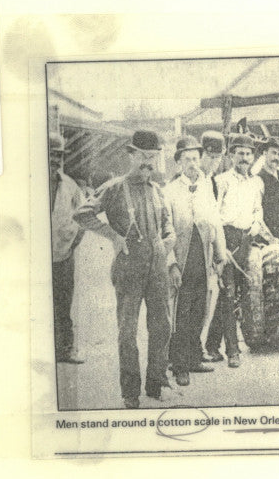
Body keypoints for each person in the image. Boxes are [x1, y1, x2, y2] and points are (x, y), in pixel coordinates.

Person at [74, 130, 176, 408]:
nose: (148, 163)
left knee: (162, 327)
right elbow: (82, 213)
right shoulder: (114, 187)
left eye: (153, 157)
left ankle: (157, 384)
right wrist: (113, 236)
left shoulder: (157, 191)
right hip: (129, 267)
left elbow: (168, 226)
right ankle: (130, 392)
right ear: (131, 155)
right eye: (143, 156)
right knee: (127, 331)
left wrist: (167, 242)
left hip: (157, 267)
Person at [163, 136, 229, 386]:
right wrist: (171, 264)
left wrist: (220, 254)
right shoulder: (169, 191)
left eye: (195, 158)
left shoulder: (206, 187)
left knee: (200, 309)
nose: (192, 163)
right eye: (187, 159)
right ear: (179, 162)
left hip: (203, 256)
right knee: (181, 312)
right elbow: (164, 230)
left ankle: (193, 358)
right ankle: (179, 365)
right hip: (182, 257)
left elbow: (216, 222)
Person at [206, 133, 275, 367]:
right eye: (239, 154)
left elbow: (258, 212)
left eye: (247, 154)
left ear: (253, 156)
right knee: (227, 293)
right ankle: (232, 350)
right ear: (231, 156)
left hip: (247, 238)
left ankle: (211, 346)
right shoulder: (221, 181)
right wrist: (218, 248)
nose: (244, 158)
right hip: (226, 237)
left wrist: (257, 228)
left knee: (237, 294)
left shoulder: (257, 182)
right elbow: (214, 215)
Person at [49, 132, 86, 364]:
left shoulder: (70, 186)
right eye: (52, 155)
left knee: (63, 304)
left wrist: (73, 245)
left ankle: (66, 348)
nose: (56, 160)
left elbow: (84, 217)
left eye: (60, 156)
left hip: (63, 255)